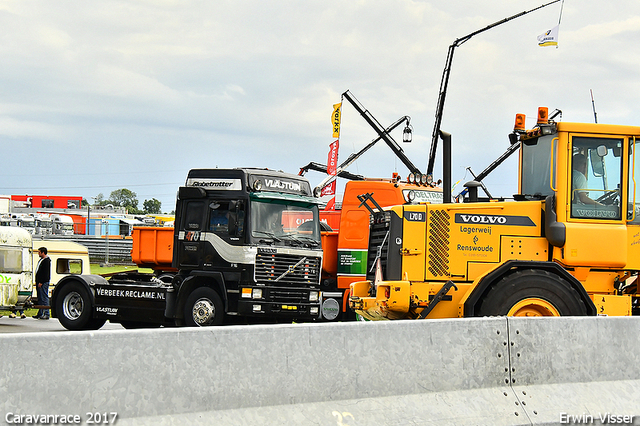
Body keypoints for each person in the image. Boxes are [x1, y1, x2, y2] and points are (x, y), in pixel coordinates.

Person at [34, 246, 51, 320]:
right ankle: (40, 313)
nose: (38, 253)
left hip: (43, 282)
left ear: (43, 252)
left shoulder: (46, 261)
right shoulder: (41, 260)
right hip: (39, 282)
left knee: (44, 297)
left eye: (39, 252)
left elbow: (45, 273)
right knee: (40, 298)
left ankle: (46, 313)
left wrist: (41, 281)